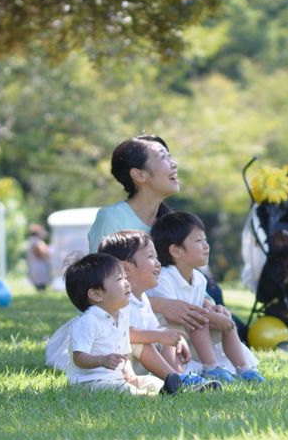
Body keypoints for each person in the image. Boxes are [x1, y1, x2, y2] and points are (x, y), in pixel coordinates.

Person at [87, 135, 215, 333]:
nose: (174, 164)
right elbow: (101, 284)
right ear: (139, 175)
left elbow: (183, 275)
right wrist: (161, 305)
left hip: (172, 315)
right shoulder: (112, 218)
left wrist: (208, 303)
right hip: (124, 323)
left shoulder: (169, 222)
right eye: (164, 157)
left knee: (217, 308)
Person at [148, 211, 265, 383]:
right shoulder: (164, 278)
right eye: (198, 240)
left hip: (192, 331)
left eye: (205, 240)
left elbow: (200, 307)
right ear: (176, 251)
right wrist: (210, 315)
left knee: (220, 317)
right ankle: (211, 368)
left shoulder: (199, 278)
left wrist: (214, 311)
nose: (206, 246)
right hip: (169, 336)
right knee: (201, 319)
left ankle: (245, 369)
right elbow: (177, 314)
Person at [97, 230, 220, 391]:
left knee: (165, 335)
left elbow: (156, 329)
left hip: (138, 366)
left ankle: (179, 376)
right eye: (150, 257)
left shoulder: (142, 299)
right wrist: (161, 336)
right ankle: (175, 377)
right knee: (150, 339)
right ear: (126, 269)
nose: (158, 263)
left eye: (156, 257)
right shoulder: (118, 302)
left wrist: (173, 338)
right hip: (117, 368)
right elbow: (124, 333)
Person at [63, 252, 181, 395]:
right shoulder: (88, 321)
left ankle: (168, 386)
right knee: (124, 390)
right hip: (88, 382)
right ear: (96, 294)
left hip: (115, 379)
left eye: (126, 277)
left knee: (149, 381)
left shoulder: (122, 315)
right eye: (119, 279)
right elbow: (79, 358)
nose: (127, 283)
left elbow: (123, 352)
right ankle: (151, 397)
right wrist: (101, 360)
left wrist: (128, 373)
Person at [26, 224, 51, 291]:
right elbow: (42, 254)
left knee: (41, 287)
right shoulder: (35, 242)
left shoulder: (35, 241)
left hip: (37, 268)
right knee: (41, 288)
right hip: (38, 269)